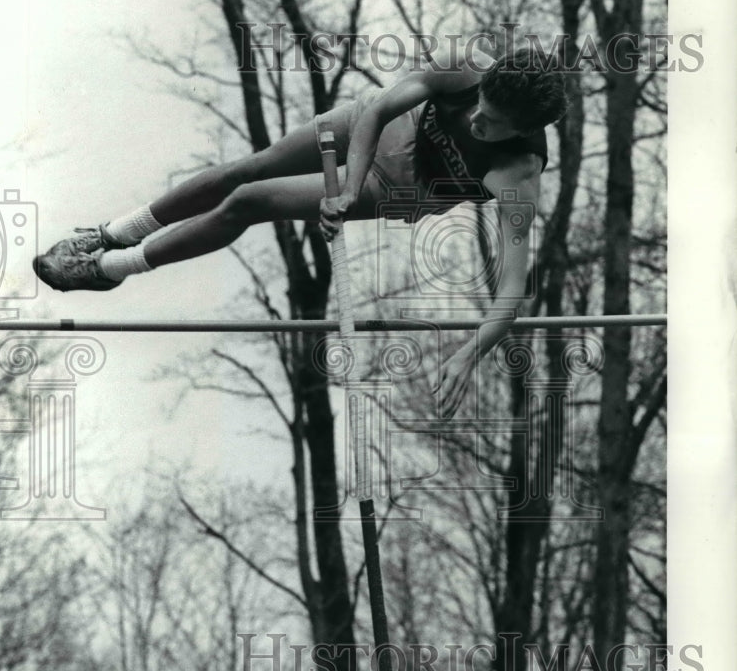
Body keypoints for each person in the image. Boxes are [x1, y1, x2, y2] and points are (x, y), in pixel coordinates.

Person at [33, 43, 567, 416]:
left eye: (493, 123)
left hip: (402, 186)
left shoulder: (517, 174)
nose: (477, 119)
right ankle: (113, 234)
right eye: (481, 105)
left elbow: (512, 293)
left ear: (523, 131)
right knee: (250, 167)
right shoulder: (466, 69)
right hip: (371, 130)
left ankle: (109, 270)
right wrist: (347, 185)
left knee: (248, 201)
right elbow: (380, 107)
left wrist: (471, 351)